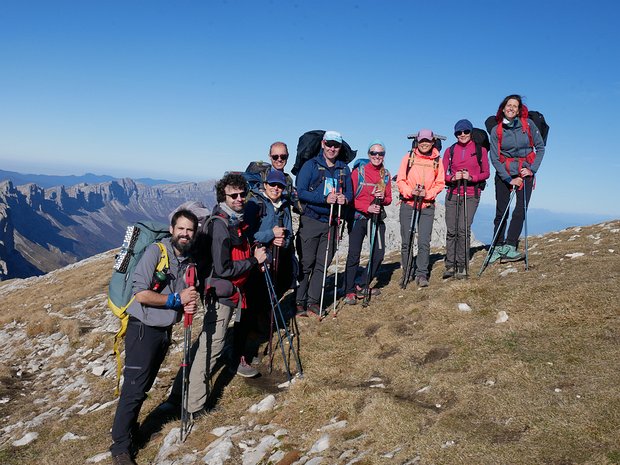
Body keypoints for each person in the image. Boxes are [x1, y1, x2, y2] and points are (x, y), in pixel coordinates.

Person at [110, 209, 199, 465]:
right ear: (172, 229)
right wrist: (175, 300)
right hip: (142, 328)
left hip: (163, 330)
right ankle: (120, 447)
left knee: (145, 385)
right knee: (134, 388)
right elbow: (141, 294)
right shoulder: (156, 252)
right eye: (181, 229)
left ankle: (131, 432)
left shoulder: (188, 260)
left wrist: (187, 303)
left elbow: (183, 295)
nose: (185, 234)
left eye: (189, 230)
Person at [185, 173, 267, 414]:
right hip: (219, 295)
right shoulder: (221, 225)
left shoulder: (231, 219)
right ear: (224, 196)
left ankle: (185, 393)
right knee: (212, 347)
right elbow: (223, 269)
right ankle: (195, 406)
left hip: (226, 293)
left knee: (209, 343)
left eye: (243, 194)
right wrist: (253, 260)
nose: (239, 198)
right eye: (234, 195)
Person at [295, 130, 353, 316]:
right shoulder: (310, 165)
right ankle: (299, 300)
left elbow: (350, 194)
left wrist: (345, 199)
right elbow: (301, 192)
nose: (332, 148)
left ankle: (313, 301)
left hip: (333, 222)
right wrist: (324, 198)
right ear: (322, 144)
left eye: (336, 145)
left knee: (322, 263)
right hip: (311, 219)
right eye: (329, 144)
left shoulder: (344, 169)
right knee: (306, 262)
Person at [241, 169, 294, 363]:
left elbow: (288, 235)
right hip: (257, 261)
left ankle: (256, 340)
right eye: (272, 184)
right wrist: (271, 234)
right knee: (252, 304)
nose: (276, 188)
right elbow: (248, 235)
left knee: (267, 299)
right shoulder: (255, 204)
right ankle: (244, 351)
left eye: (279, 185)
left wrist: (284, 241)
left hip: (277, 260)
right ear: (265, 185)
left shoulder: (284, 206)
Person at [488, 94, 545, 263]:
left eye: (515, 106)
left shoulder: (528, 125)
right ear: (503, 108)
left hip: (525, 170)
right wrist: (508, 178)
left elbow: (540, 148)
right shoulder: (496, 130)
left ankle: (510, 246)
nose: (511, 108)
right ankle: (497, 245)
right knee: (501, 211)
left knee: (520, 209)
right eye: (508, 105)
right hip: (504, 173)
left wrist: (532, 169)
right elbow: (495, 158)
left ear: (519, 110)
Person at [343, 140, 392, 305]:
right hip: (358, 218)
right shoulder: (358, 173)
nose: (377, 156)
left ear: (384, 155)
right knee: (354, 255)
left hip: (376, 219)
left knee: (378, 254)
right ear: (369, 155)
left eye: (380, 153)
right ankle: (349, 290)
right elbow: (350, 199)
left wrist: (382, 198)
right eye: (373, 153)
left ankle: (361, 284)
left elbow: (389, 199)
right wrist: (367, 207)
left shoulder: (385, 175)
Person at [396, 129, 445, 287]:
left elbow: (440, 183)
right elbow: (401, 180)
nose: (424, 143)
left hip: (427, 205)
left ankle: (422, 274)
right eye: (422, 140)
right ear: (417, 141)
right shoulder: (408, 157)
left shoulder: (437, 160)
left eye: (428, 141)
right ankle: (407, 272)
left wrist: (427, 194)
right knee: (407, 241)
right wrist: (410, 191)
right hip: (408, 203)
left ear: (432, 142)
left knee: (424, 241)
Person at [442, 119, 490, 278]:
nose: (462, 135)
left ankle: (461, 265)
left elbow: (486, 173)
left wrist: (472, 177)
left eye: (465, 132)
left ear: (471, 132)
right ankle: (450, 264)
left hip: (471, 193)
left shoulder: (480, 150)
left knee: (463, 229)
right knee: (451, 230)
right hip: (453, 193)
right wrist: (453, 177)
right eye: (458, 132)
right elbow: (443, 175)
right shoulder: (450, 151)